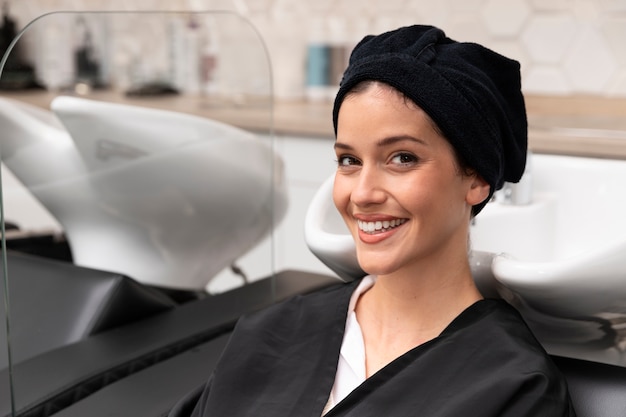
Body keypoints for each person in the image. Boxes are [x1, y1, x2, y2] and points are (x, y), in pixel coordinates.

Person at [169, 25, 577, 416]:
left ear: (477, 179)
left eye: (402, 158)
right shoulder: (271, 332)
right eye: (349, 160)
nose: (362, 193)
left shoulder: (514, 389)